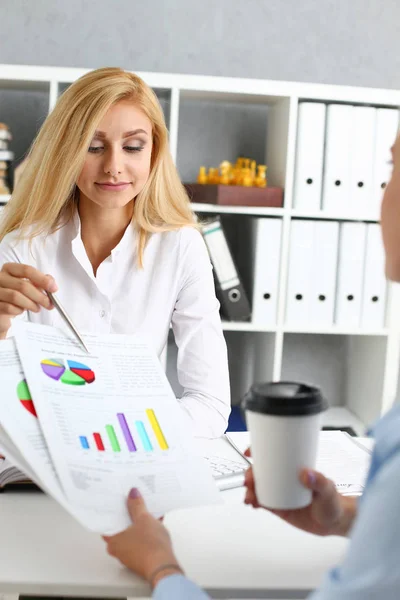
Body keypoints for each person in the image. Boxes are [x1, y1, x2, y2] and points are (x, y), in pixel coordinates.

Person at [102, 135, 400, 598]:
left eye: (392, 171)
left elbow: (209, 400)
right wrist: (345, 518)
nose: (384, 195)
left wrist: (161, 566)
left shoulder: (180, 244)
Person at [0, 67, 230, 439]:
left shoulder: (182, 247)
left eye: (133, 146)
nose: (113, 167)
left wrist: (129, 437)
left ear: (154, 151)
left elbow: (210, 402)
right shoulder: (22, 248)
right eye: (93, 147)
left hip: (144, 451)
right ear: (67, 150)